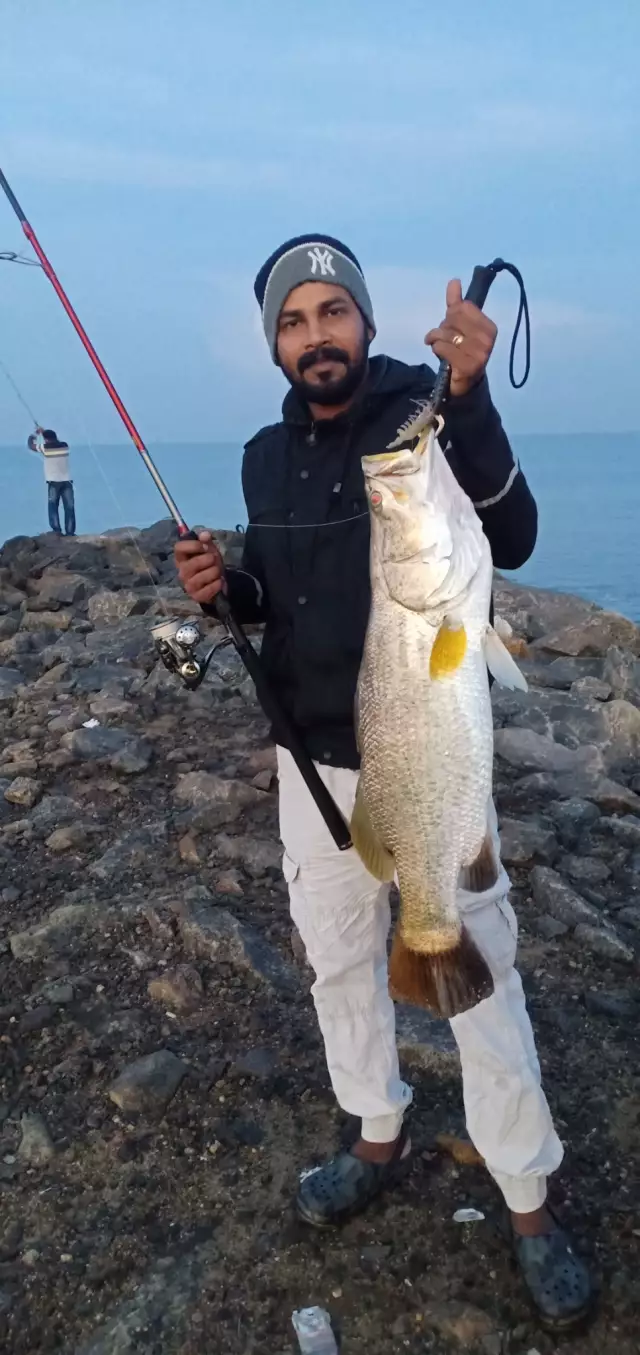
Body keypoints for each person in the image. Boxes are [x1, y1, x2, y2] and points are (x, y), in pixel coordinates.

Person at [175, 234, 592, 1329]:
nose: (316, 336)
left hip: (426, 753)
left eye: (332, 313)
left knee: (475, 967)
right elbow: (281, 593)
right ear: (275, 341)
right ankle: (374, 1124)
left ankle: (526, 1192)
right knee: (337, 964)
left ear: (363, 321)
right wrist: (232, 584)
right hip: (307, 756)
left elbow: (514, 529)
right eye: (294, 321)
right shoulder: (267, 457)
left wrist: (469, 392)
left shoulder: (424, 417)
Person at [27, 427, 76, 536]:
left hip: (54, 482)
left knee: (53, 506)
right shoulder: (65, 446)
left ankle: (56, 531)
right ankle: (70, 532)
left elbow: (31, 446)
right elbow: (54, 441)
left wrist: (35, 434)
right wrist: (44, 433)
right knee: (69, 507)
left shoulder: (46, 448)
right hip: (67, 481)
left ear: (46, 440)